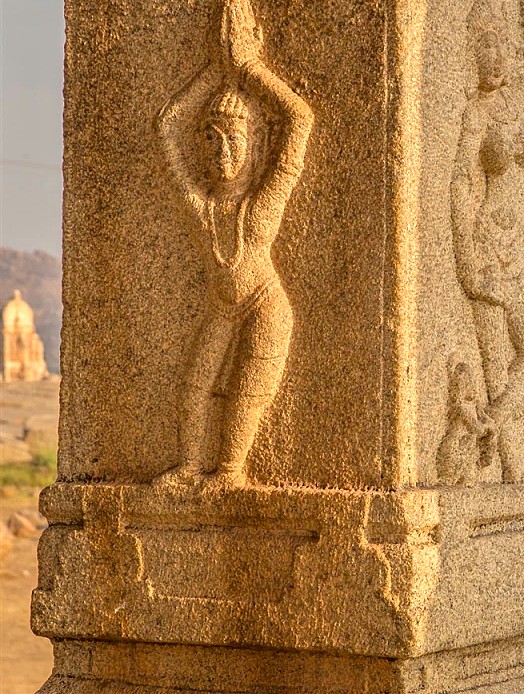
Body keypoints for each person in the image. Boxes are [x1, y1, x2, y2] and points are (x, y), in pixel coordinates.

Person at [154, 0, 313, 488]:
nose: (224, 152)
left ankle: (229, 470)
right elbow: (166, 126)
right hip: (226, 305)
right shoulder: (201, 206)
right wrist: (214, 70)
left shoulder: (263, 201)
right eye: (213, 140)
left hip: (265, 304)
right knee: (195, 387)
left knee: (247, 391)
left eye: (236, 141)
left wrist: (249, 69)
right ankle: (189, 466)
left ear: (254, 147)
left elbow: (299, 120)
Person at [450, 0, 524, 482]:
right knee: (495, 365)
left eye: (498, 44)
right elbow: (461, 183)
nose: (491, 56)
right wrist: (466, 260)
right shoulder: (477, 111)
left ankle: (489, 422)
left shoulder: (523, 99)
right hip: (487, 242)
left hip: (518, 243)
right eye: (481, 46)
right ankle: (515, 469)